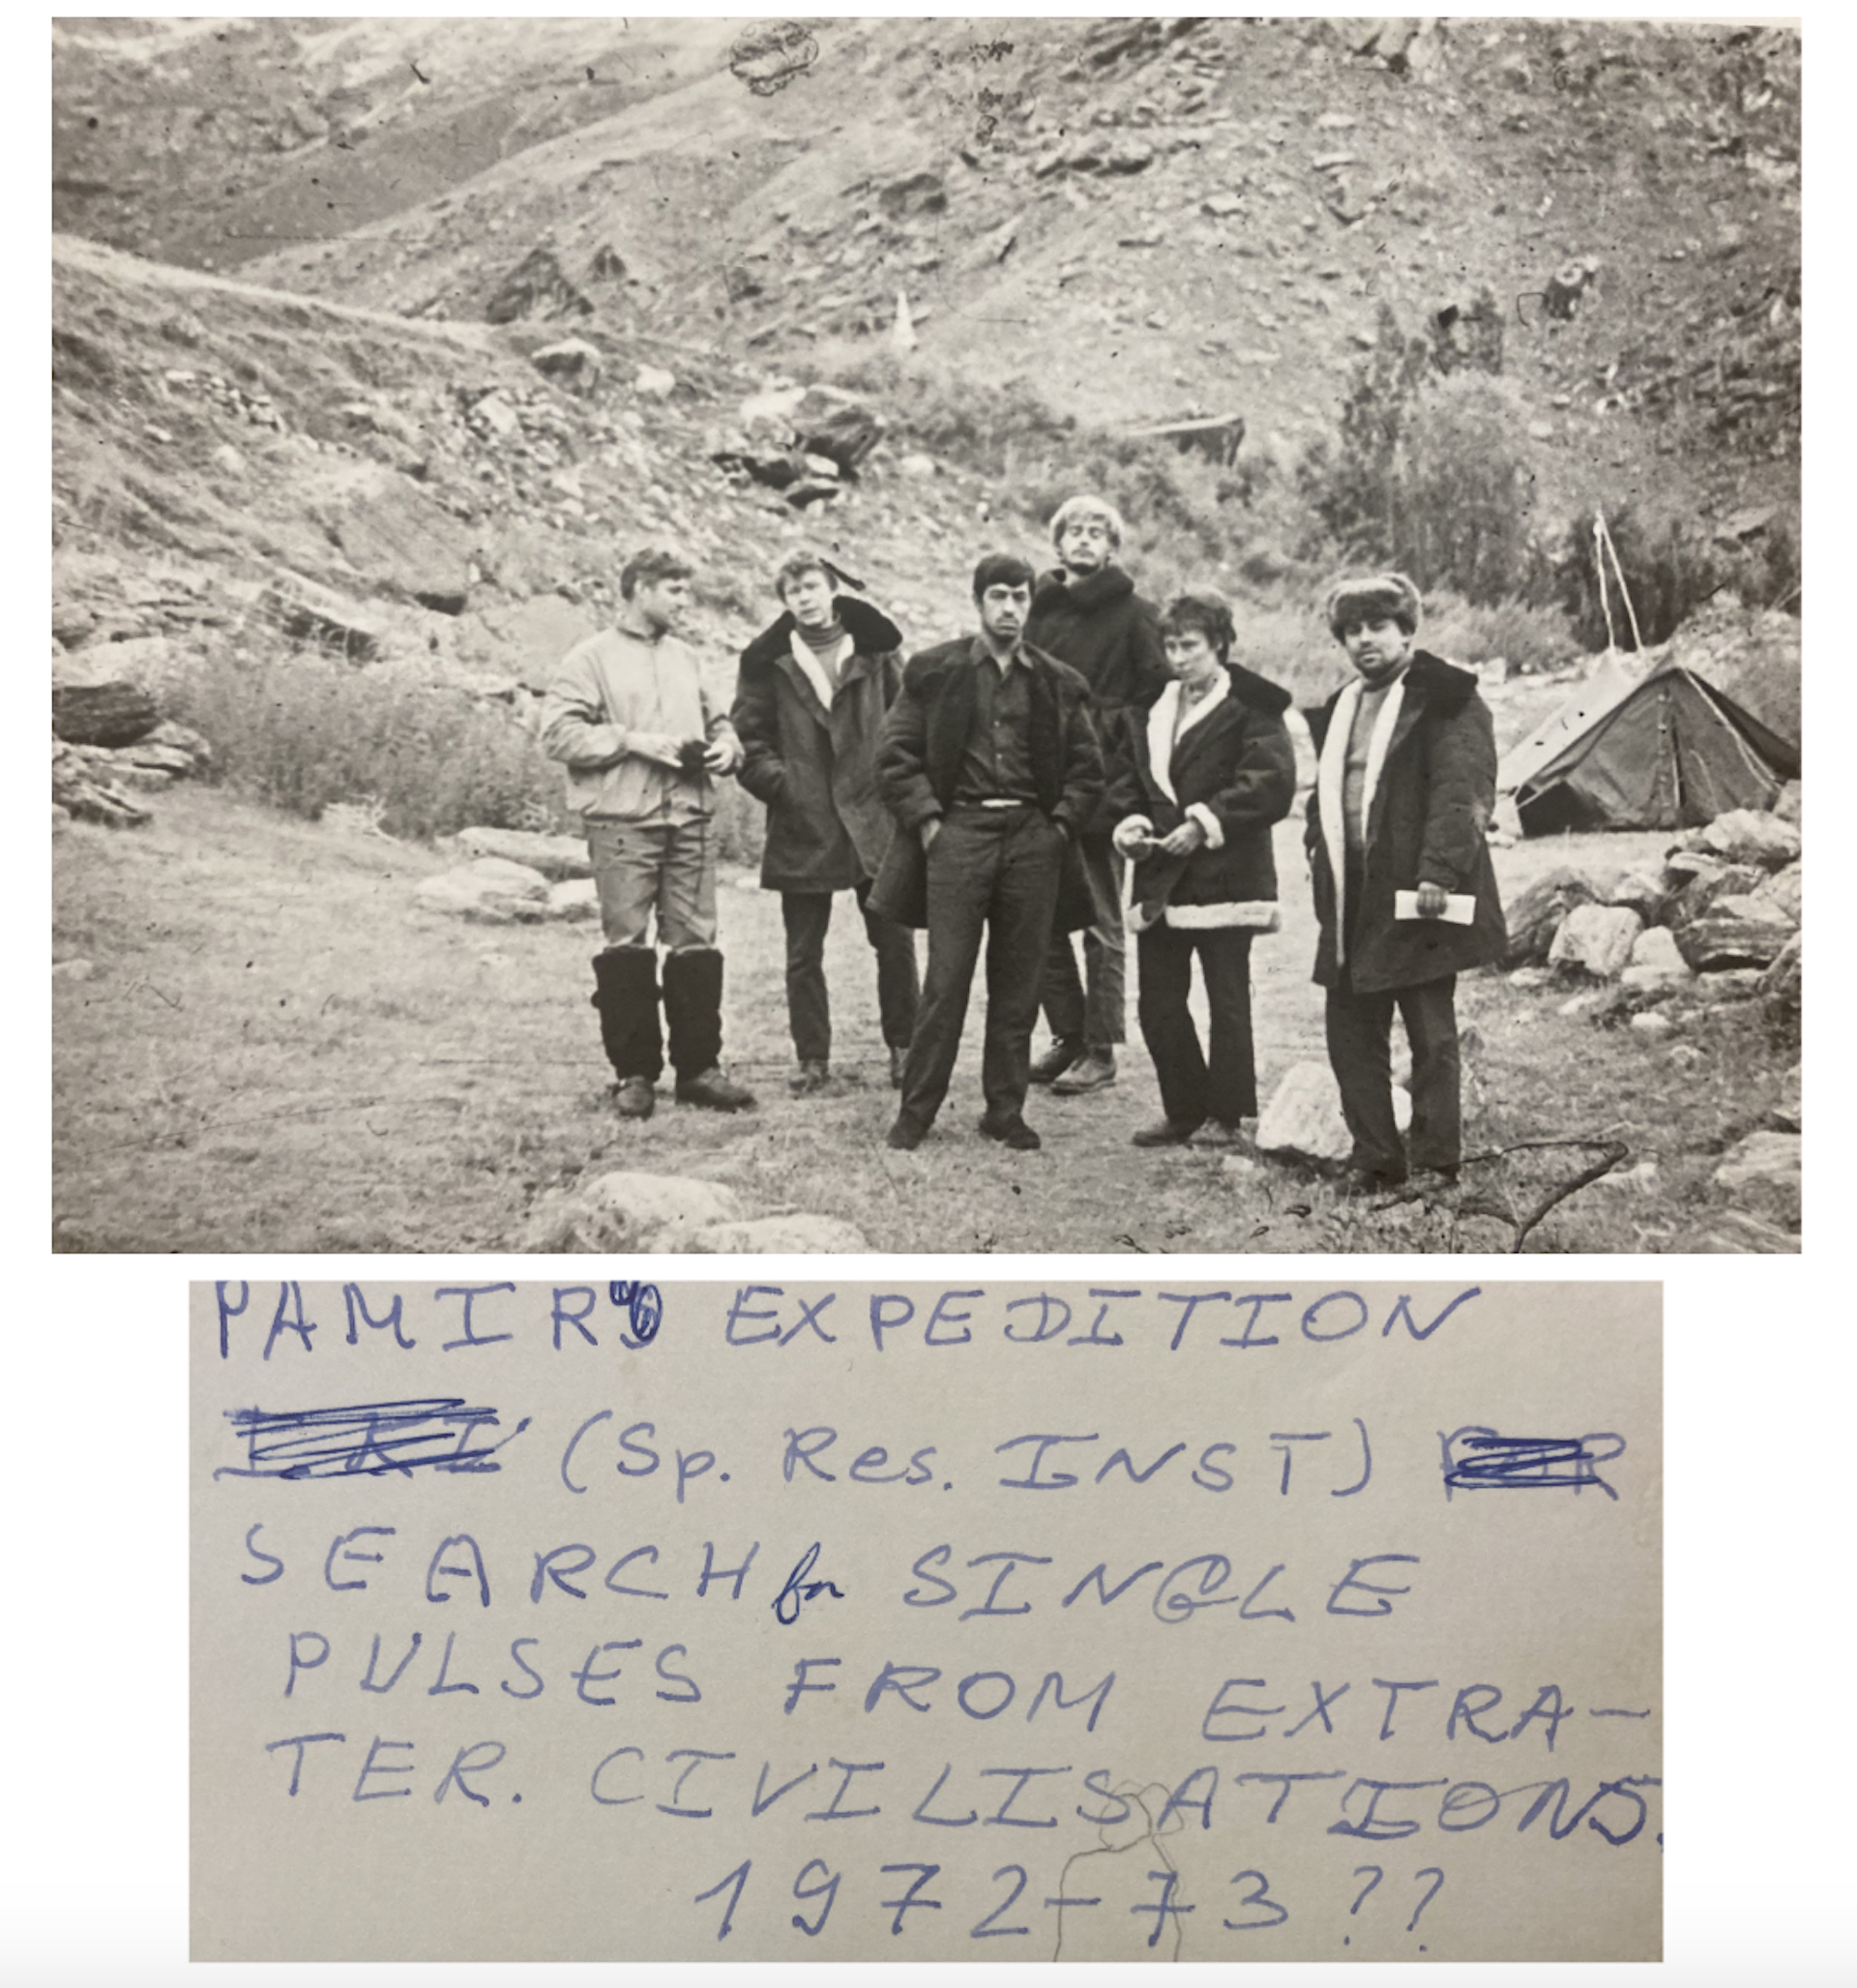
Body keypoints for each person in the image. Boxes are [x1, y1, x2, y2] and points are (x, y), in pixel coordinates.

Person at [870, 552, 1103, 1152]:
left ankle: (1005, 1110)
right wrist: (929, 825)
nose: (1010, 608)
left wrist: (1057, 829)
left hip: (1032, 840)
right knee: (946, 980)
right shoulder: (933, 671)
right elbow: (895, 757)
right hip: (958, 837)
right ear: (978, 601)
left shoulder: (1054, 680)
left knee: (1019, 981)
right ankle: (915, 1114)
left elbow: (1087, 770)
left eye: (1021, 597)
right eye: (998, 596)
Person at [1305, 572, 1507, 1191]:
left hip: (1418, 888)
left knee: (1430, 1031)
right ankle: (1376, 1158)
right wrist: (1317, 844)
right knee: (1351, 1029)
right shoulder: (1342, 704)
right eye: (1353, 630)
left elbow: (1461, 790)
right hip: (1353, 889)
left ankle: (1437, 1163)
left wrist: (1438, 872)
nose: (1365, 640)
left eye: (1378, 627)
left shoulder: (1446, 695)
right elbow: (1327, 789)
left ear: (1407, 631)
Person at [539, 547, 756, 1120]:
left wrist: (727, 750)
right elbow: (557, 734)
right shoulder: (590, 659)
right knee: (627, 946)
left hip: (689, 818)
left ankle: (699, 1071)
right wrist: (631, 741)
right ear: (639, 588)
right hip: (622, 824)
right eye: (675, 589)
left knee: (695, 943)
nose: (685, 601)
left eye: (687, 589)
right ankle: (634, 1075)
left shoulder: (687, 657)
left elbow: (721, 723)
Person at [1107, 590, 1297, 1148]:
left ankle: (1228, 1114)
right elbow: (1128, 778)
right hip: (1162, 876)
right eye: (1169, 645)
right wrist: (1132, 824)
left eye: (1189, 644)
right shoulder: (1151, 707)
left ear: (1219, 644)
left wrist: (1206, 821)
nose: (1178, 656)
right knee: (1159, 1004)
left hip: (1226, 874)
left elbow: (1271, 782)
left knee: (1227, 1001)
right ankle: (1184, 1108)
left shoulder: (1253, 704)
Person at [731, 553, 920, 1093]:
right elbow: (748, 737)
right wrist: (783, 786)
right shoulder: (768, 661)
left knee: (895, 940)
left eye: (812, 586)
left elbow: (910, 719)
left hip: (873, 817)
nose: (804, 599)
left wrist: (895, 785)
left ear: (832, 589)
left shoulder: (878, 650)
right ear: (785, 600)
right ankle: (812, 1060)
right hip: (804, 820)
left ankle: (905, 1049)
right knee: (802, 951)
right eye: (793, 592)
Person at [1022, 494, 1167, 1097]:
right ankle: (1069, 1035)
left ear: (1111, 547)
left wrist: (1109, 732)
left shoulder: (1135, 612)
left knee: (1101, 916)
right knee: (1042, 915)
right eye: (1072, 531)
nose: (1083, 540)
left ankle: (1103, 1048)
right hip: (1041, 776)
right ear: (1058, 546)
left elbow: (1156, 688)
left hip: (1103, 778)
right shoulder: (1039, 608)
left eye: (1096, 532)